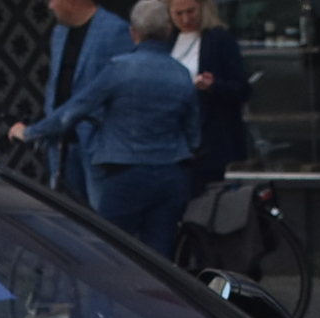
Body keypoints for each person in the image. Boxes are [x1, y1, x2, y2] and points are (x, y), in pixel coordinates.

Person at [13, 0, 200, 254]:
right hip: (171, 174)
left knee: (109, 251)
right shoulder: (180, 74)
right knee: (160, 257)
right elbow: (193, 133)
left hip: (125, 171)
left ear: (134, 33)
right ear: (169, 31)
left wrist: (30, 132)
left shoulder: (120, 69)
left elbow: (75, 110)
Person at [29, 0, 129, 201]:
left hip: (97, 142)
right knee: (66, 212)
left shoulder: (115, 30)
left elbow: (123, 85)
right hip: (62, 141)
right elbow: (55, 81)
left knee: (100, 215)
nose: (50, 7)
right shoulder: (59, 33)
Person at [168, 0, 248, 189]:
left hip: (212, 136)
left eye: (191, 12)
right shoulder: (168, 40)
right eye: (179, 14)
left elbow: (242, 88)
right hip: (177, 135)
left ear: (203, 9)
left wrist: (213, 86)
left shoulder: (219, 39)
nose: (185, 19)